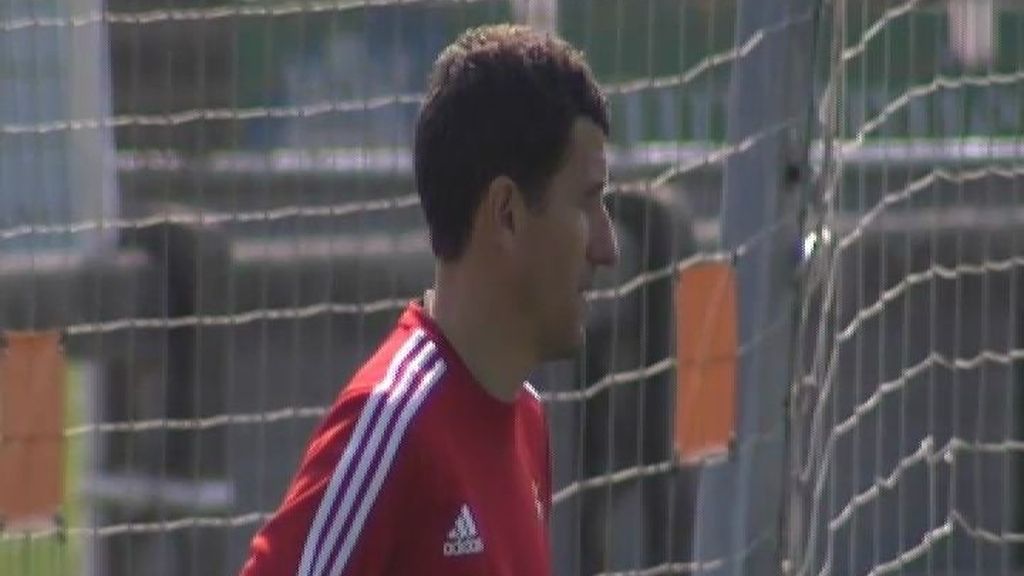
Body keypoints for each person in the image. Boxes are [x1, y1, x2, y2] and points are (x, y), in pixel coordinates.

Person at [240, 23, 617, 576]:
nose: (607, 246)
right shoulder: (394, 423)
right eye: (587, 202)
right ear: (507, 213)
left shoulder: (528, 421)